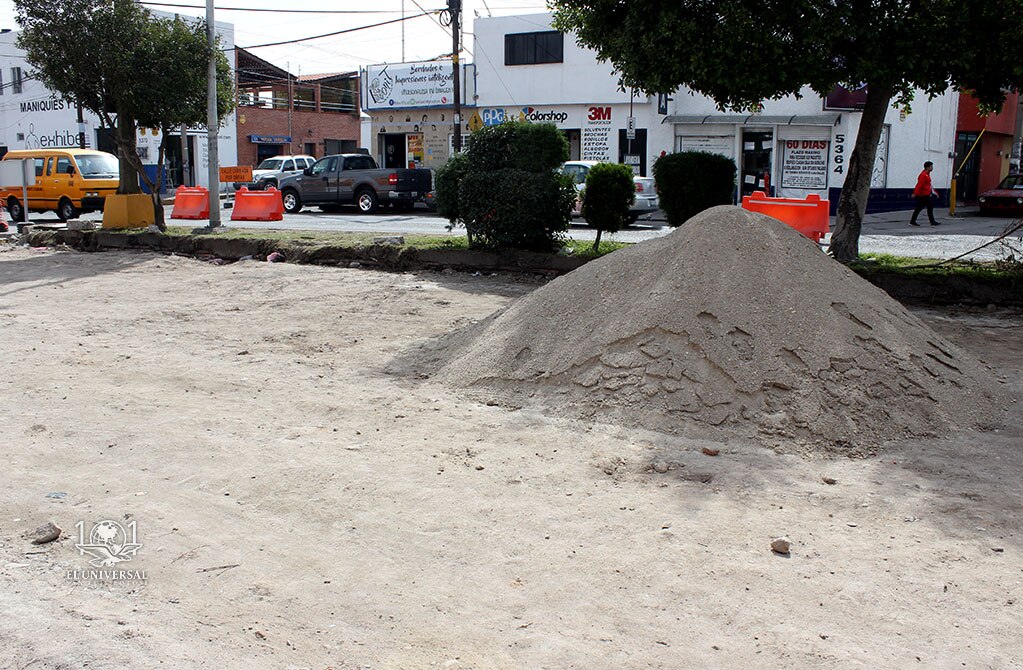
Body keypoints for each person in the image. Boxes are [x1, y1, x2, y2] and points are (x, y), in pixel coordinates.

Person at [910, 161, 940, 226]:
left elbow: (929, 185)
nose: (932, 168)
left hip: (925, 194)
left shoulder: (927, 174)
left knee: (919, 208)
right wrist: (915, 193)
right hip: (924, 195)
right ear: (927, 167)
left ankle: (912, 221)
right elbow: (919, 185)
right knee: (929, 207)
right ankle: (932, 222)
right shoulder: (923, 175)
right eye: (931, 166)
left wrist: (935, 192)